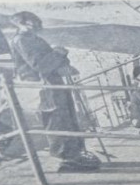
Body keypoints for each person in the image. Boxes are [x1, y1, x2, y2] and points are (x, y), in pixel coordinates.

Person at [6, 11, 101, 173]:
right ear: (19, 24)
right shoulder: (22, 40)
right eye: (28, 23)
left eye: (34, 22)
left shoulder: (33, 39)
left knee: (68, 117)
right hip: (44, 87)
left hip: (54, 83)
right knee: (57, 119)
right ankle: (67, 157)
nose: (33, 26)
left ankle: (76, 153)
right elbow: (40, 65)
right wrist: (58, 53)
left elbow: (53, 60)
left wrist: (62, 59)